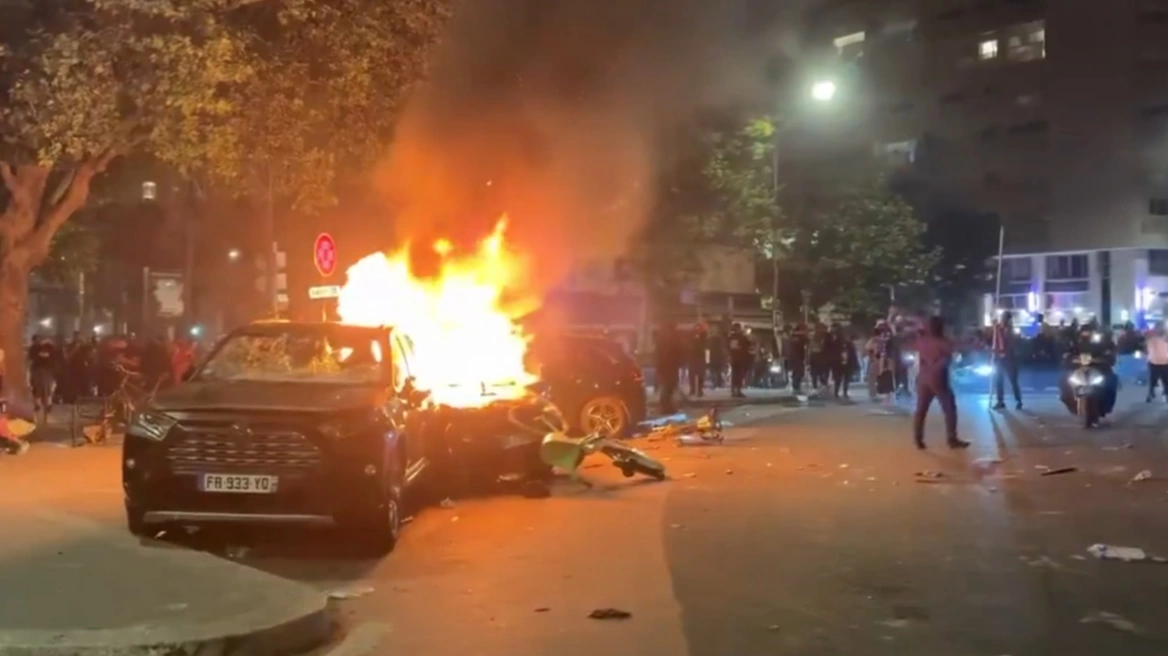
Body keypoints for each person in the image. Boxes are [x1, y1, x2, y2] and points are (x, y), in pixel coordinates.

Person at [912, 316, 968, 450]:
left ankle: (918, 439)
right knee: (949, 408)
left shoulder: (921, 341)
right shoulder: (943, 342)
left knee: (921, 409)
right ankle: (952, 439)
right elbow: (947, 359)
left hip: (923, 378)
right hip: (938, 379)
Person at [991, 311, 1023, 410]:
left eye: (1004, 318)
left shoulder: (1009, 330)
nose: (1002, 320)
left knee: (1013, 380)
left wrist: (1005, 353)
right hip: (999, 358)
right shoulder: (998, 328)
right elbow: (996, 340)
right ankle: (1000, 401)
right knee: (999, 379)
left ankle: (1018, 400)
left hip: (1009, 358)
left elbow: (1011, 343)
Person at [654, 324, 683, 415]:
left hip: (665, 366)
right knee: (668, 387)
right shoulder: (671, 339)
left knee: (667, 387)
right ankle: (666, 407)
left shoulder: (661, 339)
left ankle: (666, 407)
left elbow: (658, 354)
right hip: (669, 366)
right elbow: (677, 352)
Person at [27, 334, 57, 418]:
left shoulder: (34, 350)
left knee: (39, 389)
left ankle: (40, 404)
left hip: (39, 372)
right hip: (45, 373)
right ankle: (46, 404)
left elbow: (31, 360)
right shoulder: (49, 352)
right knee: (45, 390)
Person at [831, 323, 858, 399]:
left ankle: (838, 393)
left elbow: (853, 354)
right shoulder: (847, 343)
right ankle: (843, 393)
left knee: (839, 379)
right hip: (843, 363)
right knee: (844, 378)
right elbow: (853, 354)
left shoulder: (836, 342)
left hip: (839, 362)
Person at [727, 323, 751, 398]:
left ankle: (733, 390)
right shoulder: (741, 337)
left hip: (733, 358)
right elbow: (748, 344)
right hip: (740, 358)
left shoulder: (730, 337)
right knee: (739, 375)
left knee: (734, 375)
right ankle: (738, 390)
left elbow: (728, 347)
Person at [1145, 324, 1168, 402]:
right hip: (1165, 362)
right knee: (1166, 380)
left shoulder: (1151, 340)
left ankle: (1150, 393)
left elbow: (1147, 350)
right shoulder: (1166, 339)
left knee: (1152, 380)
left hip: (1154, 362)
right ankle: (1166, 393)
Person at [687, 324, 708, 398]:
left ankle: (699, 390)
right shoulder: (691, 337)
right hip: (694, 357)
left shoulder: (703, 337)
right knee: (693, 374)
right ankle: (693, 389)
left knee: (700, 375)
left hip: (699, 357)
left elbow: (706, 347)